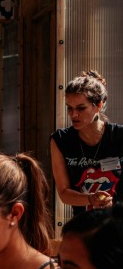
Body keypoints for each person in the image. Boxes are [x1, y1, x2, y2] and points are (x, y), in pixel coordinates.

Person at [51, 69, 123, 213]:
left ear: (98, 105)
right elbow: (64, 193)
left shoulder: (119, 136)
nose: (74, 114)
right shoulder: (61, 140)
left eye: (81, 108)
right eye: (69, 108)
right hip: (84, 224)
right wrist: (90, 199)